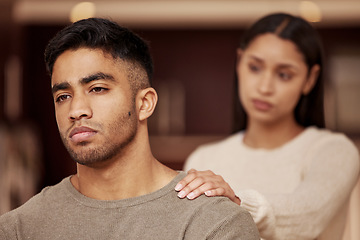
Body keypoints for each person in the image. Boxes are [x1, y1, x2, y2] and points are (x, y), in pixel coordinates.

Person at [0, 18, 260, 239]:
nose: (76, 110)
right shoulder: (19, 228)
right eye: (63, 96)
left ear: (144, 103)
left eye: (97, 89)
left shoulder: (214, 223)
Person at [175, 13, 360, 240]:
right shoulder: (203, 160)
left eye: (283, 75)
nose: (265, 87)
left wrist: (236, 202)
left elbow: (307, 216)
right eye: (254, 68)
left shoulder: (334, 151)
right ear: (239, 62)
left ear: (310, 79)